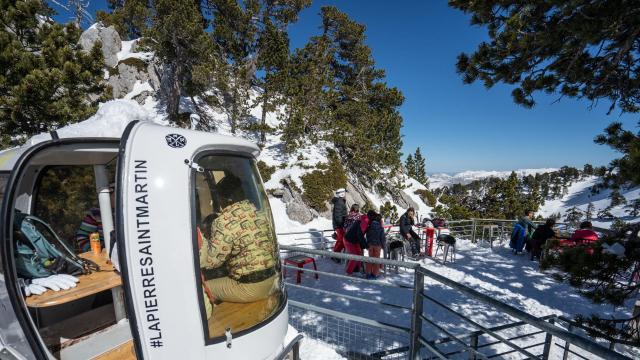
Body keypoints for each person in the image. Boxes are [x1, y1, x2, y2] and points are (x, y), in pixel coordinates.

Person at [199, 174, 279, 319]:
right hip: (271, 280)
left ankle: (214, 324)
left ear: (225, 199)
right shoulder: (258, 212)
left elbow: (211, 261)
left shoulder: (223, 221)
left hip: (250, 287)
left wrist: (203, 239)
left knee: (203, 289)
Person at [75, 183, 115, 252]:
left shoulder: (131, 212)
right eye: (116, 194)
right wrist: (98, 252)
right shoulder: (96, 213)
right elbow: (82, 237)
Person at [343, 204, 368, 275]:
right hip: (352, 238)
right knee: (356, 255)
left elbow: (344, 227)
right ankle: (356, 269)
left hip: (349, 236)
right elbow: (360, 233)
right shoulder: (358, 217)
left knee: (354, 255)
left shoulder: (348, 216)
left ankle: (354, 269)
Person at [365, 211, 386, 279]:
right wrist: (383, 246)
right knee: (376, 260)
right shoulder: (380, 227)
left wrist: (367, 243)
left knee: (370, 259)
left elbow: (367, 236)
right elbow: (382, 237)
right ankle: (374, 274)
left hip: (370, 244)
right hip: (377, 245)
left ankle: (368, 273)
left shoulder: (369, 226)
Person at [331, 188, 348, 256]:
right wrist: (342, 224)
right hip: (340, 225)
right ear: (342, 193)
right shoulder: (339, 202)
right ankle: (335, 255)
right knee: (341, 241)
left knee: (340, 240)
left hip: (340, 225)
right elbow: (337, 215)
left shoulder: (340, 201)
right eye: (344, 192)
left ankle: (336, 254)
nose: (345, 194)